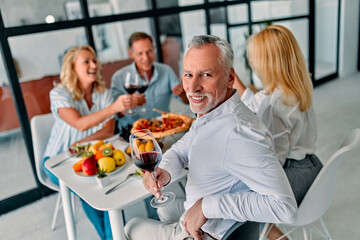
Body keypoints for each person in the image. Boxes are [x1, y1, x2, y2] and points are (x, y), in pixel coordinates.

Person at [124, 35, 297, 240]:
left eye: (206, 74)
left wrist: (207, 207)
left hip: (204, 234)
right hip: (198, 219)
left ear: (230, 77)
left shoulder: (239, 133)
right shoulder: (213, 112)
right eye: (188, 74)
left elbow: (285, 208)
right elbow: (183, 148)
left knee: (130, 227)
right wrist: (165, 170)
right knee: (164, 211)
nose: (193, 86)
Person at [233, 25, 323, 240]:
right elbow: (257, 101)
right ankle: (274, 232)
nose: (252, 63)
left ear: (265, 64)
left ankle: (277, 237)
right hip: (312, 166)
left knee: (242, 196)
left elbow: (274, 162)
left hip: (294, 173)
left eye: (253, 59)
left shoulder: (275, 106)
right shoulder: (298, 83)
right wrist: (234, 78)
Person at [43, 45, 139, 240]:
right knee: (91, 188)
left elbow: (108, 130)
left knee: (104, 185)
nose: (94, 64)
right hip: (57, 160)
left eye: (94, 60)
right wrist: (113, 108)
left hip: (90, 156)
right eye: (86, 61)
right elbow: (80, 124)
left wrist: (79, 145)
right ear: (72, 68)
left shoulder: (103, 93)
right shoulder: (59, 93)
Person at [111, 32, 188, 133]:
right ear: (131, 54)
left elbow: (186, 101)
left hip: (162, 129)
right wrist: (128, 105)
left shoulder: (166, 71)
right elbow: (115, 115)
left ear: (154, 50)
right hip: (132, 133)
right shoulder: (119, 77)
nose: (146, 58)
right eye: (140, 53)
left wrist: (183, 94)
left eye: (149, 51)